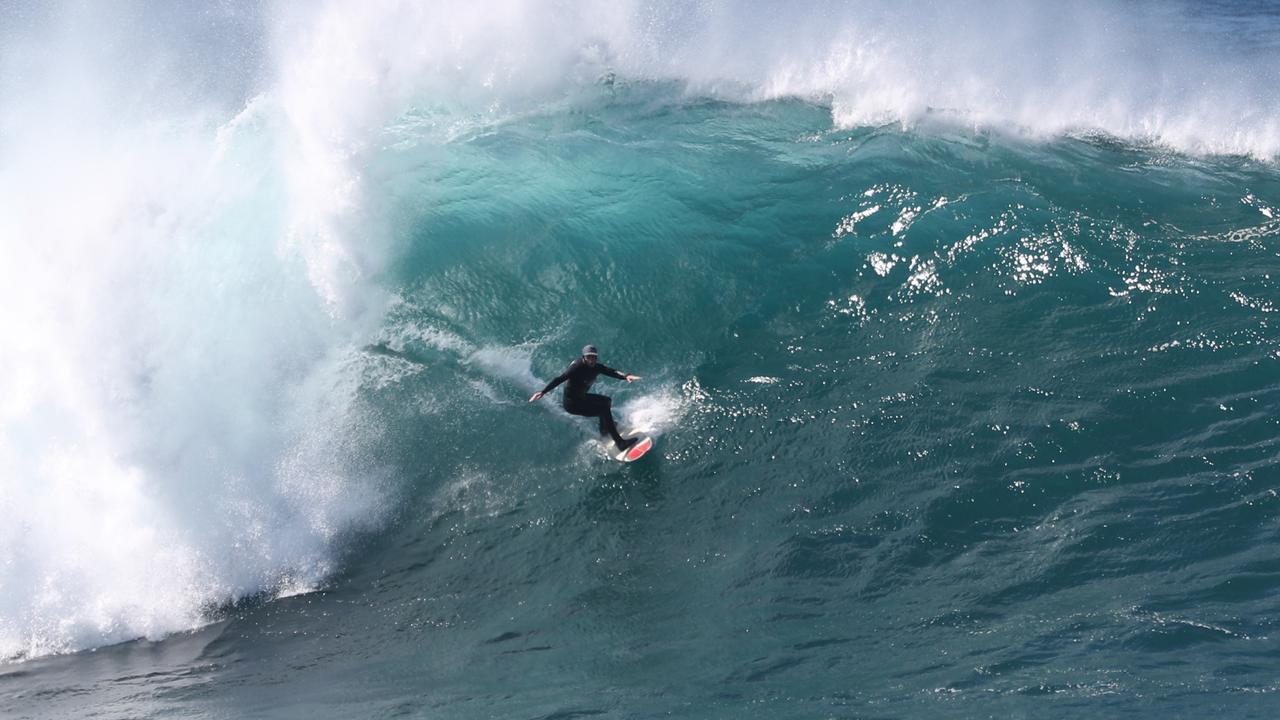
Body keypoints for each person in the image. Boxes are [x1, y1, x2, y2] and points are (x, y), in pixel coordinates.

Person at [530, 345, 641, 451]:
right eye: (589, 357)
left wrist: (626, 376)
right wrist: (543, 392)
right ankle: (620, 443)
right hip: (572, 405)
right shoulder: (576, 368)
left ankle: (605, 430)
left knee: (607, 401)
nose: (591, 360)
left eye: (594, 357)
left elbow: (610, 371)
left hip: (582, 398)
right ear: (583, 357)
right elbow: (560, 378)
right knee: (603, 410)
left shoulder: (596, 367)